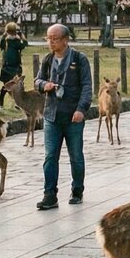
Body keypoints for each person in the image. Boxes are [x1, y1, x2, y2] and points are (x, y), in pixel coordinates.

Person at [34, 24, 93, 210]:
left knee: (75, 156)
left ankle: (77, 190)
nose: (51, 42)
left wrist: (81, 109)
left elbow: (87, 86)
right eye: (48, 38)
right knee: (50, 156)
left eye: (55, 38)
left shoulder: (79, 59)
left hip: (73, 115)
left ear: (66, 40)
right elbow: (37, 80)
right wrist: (45, 85)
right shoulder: (47, 60)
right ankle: (49, 194)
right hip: (52, 114)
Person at [0, 22, 28, 107]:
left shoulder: (7, 41)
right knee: (15, 86)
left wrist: (4, 35)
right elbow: (25, 44)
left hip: (8, 67)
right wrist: (22, 36)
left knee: (7, 87)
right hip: (14, 67)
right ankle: (15, 104)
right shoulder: (15, 42)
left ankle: (2, 104)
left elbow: (0, 45)